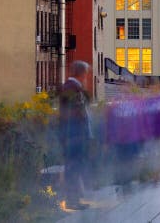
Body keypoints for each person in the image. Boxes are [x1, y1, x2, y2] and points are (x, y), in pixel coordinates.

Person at [58, 61, 92, 211]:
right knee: (73, 167)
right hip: (73, 134)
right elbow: (77, 113)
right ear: (81, 73)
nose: (87, 77)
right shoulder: (72, 88)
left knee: (75, 166)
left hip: (73, 134)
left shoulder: (73, 88)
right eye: (86, 74)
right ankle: (72, 200)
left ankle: (75, 199)